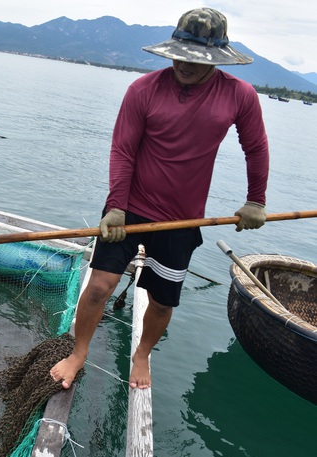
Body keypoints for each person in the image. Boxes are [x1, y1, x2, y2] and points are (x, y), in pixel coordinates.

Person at [50, 7, 269, 389]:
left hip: (182, 218)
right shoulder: (143, 90)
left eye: (194, 58)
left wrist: (256, 200)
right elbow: (122, 151)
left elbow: (256, 148)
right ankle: (77, 353)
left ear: (215, 59)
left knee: (163, 300)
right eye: (179, 53)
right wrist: (116, 206)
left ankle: (141, 356)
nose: (183, 63)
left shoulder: (240, 95)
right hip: (128, 209)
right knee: (100, 285)